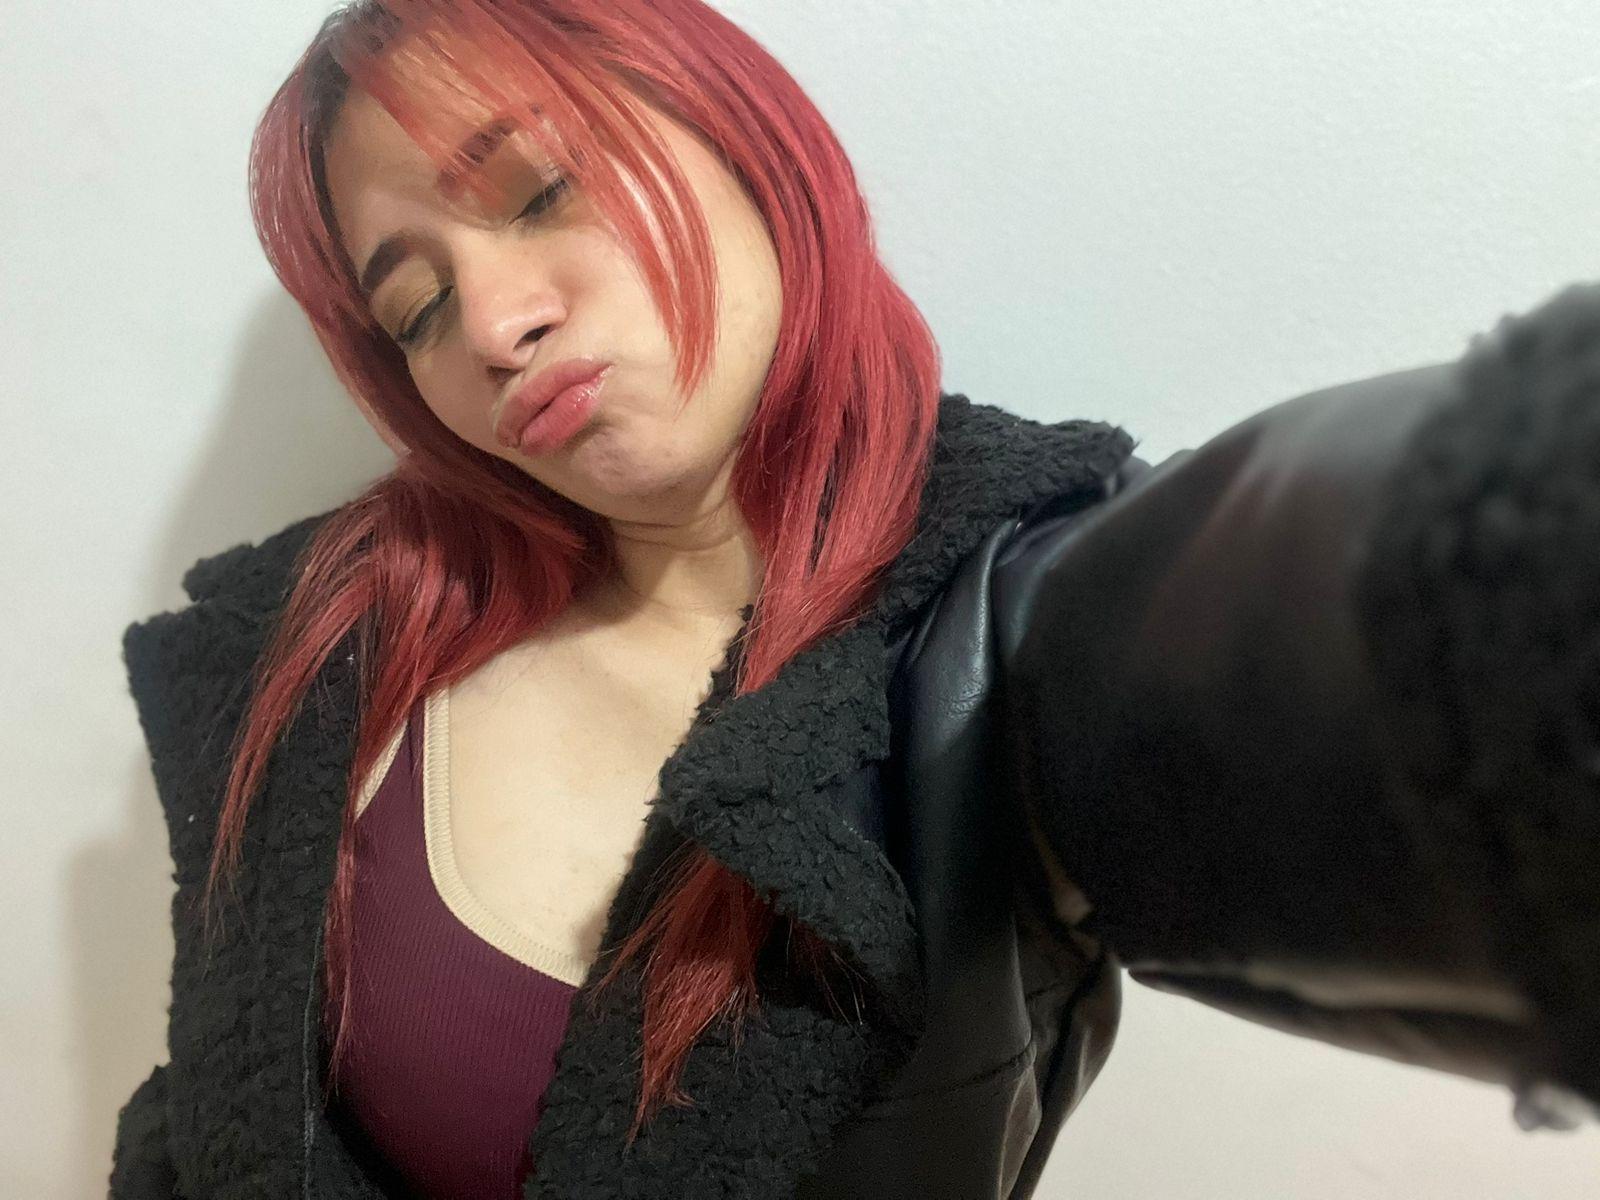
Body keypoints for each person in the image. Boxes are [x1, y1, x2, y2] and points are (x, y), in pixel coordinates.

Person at [110, 2, 1600, 1197]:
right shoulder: (326, 640)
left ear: (738, 133)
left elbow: (1354, 642)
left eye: (542, 189)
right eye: (417, 307)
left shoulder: (999, 615)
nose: (495, 325)